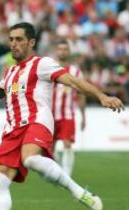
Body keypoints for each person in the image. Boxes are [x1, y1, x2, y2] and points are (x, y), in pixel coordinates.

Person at [0, 22, 124, 210]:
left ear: (31, 42)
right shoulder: (11, 71)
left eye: (19, 39)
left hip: (37, 121)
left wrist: (101, 96)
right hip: (12, 129)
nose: (13, 44)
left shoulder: (43, 64)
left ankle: (78, 192)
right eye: (11, 39)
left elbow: (72, 81)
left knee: (31, 158)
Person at [52, 39, 86, 175]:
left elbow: (82, 95)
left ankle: (67, 173)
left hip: (67, 115)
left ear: (69, 52)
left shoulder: (76, 72)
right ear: (56, 51)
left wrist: (84, 117)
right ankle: (57, 169)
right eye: (60, 49)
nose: (62, 51)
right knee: (49, 147)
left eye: (65, 49)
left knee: (67, 144)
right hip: (49, 115)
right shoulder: (50, 69)